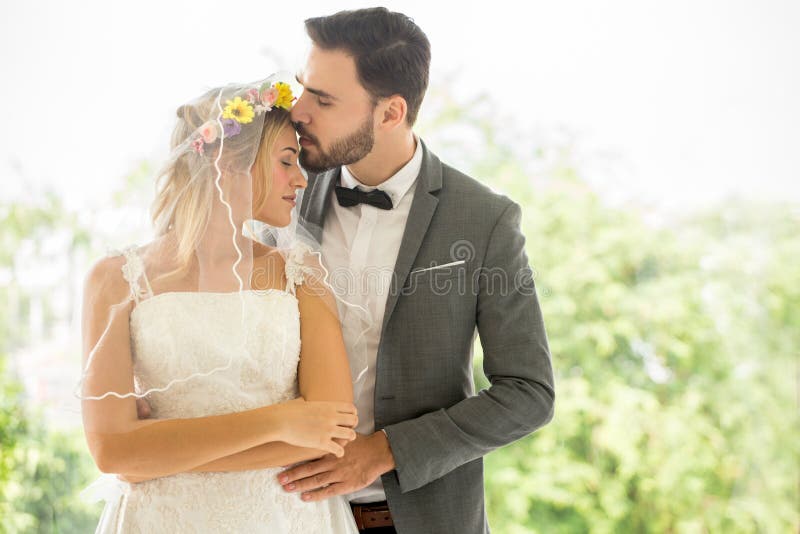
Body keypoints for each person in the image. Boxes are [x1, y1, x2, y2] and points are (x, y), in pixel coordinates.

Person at [275, 8, 556, 534]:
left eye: (324, 99)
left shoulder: (485, 219)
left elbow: (529, 393)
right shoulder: (277, 197)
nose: (299, 111)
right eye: (302, 89)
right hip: (283, 516)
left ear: (390, 112)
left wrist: (384, 451)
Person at [78, 75, 364, 532]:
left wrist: (153, 455)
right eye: (287, 160)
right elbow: (112, 452)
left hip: (285, 516)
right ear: (228, 162)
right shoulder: (114, 280)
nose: (301, 178)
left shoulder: (302, 275)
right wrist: (280, 420)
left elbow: (329, 435)